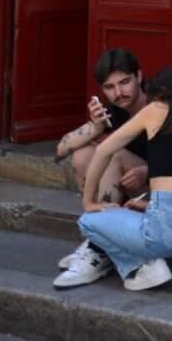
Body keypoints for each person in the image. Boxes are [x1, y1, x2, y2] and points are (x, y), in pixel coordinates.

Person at [54, 67, 172, 291]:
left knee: (89, 222)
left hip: (166, 232)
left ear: (160, 94)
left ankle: (142, 267)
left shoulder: (156, 109)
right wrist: (149, 205)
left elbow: (103, 151)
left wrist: (89, 203)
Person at [52, 49, 151, 272]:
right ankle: (102, 239)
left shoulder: (158, 107)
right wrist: (96, 126)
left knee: (112, 153)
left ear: (139, 76)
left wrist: (147, 171)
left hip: (161, 190)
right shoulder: (115, 111)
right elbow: (60, 150)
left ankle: (99, 245)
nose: (118, 93)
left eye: (125, 82)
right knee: (82, 154)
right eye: (109, 87)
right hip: (128, 186)